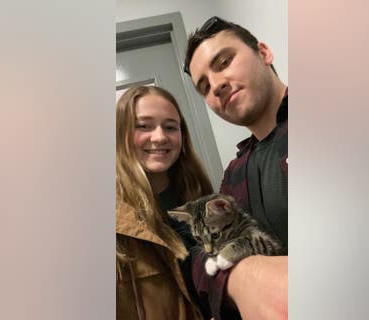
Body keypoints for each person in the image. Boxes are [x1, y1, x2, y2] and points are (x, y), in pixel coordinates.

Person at [183, 16, 289, 320]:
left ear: (264, 53)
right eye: (203, 86)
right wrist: (243, 279)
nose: (215, 85)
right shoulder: (234, 172)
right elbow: (200, 266)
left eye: (225, 61)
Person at [115, 85, 215, 319]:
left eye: (170, 127)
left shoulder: (203, 197)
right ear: (121, 134)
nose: (159, 137)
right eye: (143, 126)